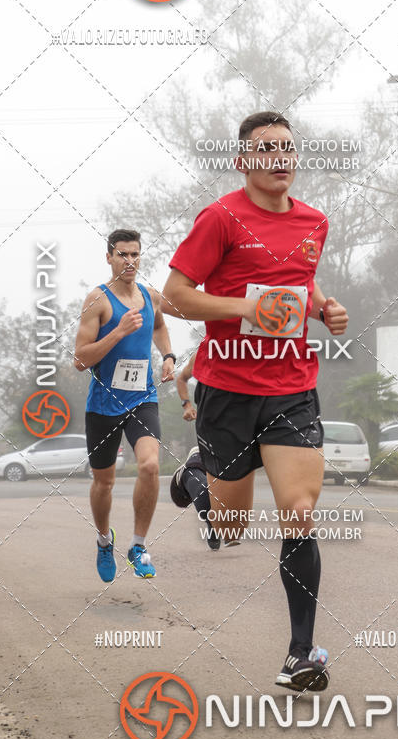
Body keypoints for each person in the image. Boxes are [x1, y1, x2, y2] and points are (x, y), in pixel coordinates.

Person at [162, 111, 348, 692]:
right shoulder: (219, 219)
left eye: (288, 149)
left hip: (291, 389)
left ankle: (301, 655)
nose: (279, 158)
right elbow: (174, 298)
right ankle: (198, 479)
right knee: (234, 525)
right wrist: (244, 307)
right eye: (265, 149)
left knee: (299, 510)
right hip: (226, 391)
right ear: (243, 161)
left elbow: (300, 279)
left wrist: (324, 307)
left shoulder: (315, 221)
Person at [74, 228, 175, 581]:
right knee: (104, 483)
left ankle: (138, 546)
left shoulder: (150, 295)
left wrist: (168, 355)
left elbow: (159, 325)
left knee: (149, 466)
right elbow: (80, 360)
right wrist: (117, 331)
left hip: (143, 398)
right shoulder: (97, 300)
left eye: (135, 254)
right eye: (122, 254)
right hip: (104, 405)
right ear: (109, 257)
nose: (130, 261)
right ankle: (104, 541)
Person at [169, 351, 222, 551]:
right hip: (211, 435)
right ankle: (192, 469)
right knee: (203, 489)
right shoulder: (206, 350)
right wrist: (187, 405)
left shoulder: (252, 351)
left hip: (242, 436)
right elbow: (182, 379)